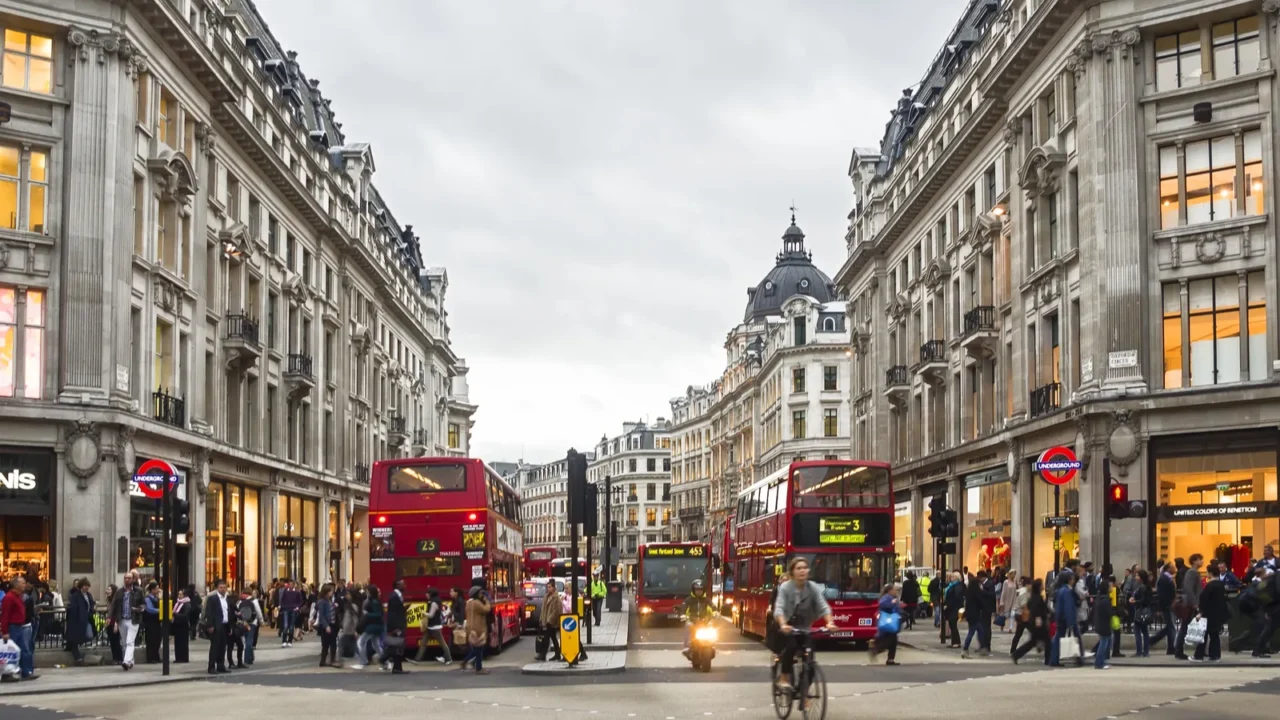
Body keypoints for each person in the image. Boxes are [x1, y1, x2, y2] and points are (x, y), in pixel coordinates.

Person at [772, 557, 837, 693]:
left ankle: (804, 693)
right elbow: (779, 608)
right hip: (787, 625)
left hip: (804, 627)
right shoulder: (785, 587)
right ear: (792, 572)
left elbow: (823, 606)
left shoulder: (812, 587)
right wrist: (783, 624)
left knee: (810, 663)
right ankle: (784, 678)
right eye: (798, 568)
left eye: (805, 568)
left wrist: (829, 622)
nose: (802, 571)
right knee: (791, 646)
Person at [0, 576, 36, 682]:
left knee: (24, 649)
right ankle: (7, 673)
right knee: (10, 651)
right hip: (12, 627)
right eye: (23, 583)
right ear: (16, 585)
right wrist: (5, 631)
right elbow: (5, 615)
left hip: (19, 626)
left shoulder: (18, 596)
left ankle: (26, 671)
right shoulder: (9, 597)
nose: (25, 585)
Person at [1192, 563, 1228, 662]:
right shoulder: (1221, 585)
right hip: (1218, 613)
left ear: (1211, 573)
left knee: (1203, 635)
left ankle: (1199, 656)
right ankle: (1215, 655)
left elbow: (1204, 599)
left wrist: (1200, 612)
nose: (1207, 574)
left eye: (1207, 572)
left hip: (1208, 614)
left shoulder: (1210, 585)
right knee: (1214, 635)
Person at [110, 572, 144, 671]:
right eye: (125, 578)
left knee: (130, 641)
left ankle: (126, 660)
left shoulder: (139, 591)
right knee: (124, 642)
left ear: (133, 579)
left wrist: (139, 609)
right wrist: (109, 617)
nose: (127, 580)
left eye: (129, 578)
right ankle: (131, 661)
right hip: (122, 619)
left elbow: (143, 604)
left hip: (133, 619)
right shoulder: (119, 592)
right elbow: (113, 605)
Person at [1011, 579, 1049, 664]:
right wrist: (1039, 618)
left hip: (1034, 622)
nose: (1043, 586)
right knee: (1047, 641)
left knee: (1032, 642)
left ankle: (1016, 654)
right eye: (1042, 585)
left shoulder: (1033, 597)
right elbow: (1037, 610)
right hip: (1038, 622)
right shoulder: (1037, 598)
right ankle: (1048, 659)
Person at [1175, 554, 1204, 660]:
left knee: (1187, 627)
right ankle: (1178, 650)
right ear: (1195, 561)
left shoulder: (1193, 572)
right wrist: (1195, 603)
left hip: (1191, 603)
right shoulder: (1192, 572)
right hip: (1190, 604)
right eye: (1200, 559)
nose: (1202, 561)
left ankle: (1199, 650)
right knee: (1184, 627)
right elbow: (1189, 588)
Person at [203, 578, 234, 675]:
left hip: (225, 625)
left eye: (224, 587)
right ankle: (211, 666)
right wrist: (210, 625)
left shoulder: (227, 599)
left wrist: (230, 627)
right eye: (221, 588)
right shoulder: (212, 599)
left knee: (223, 647)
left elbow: (229, 612)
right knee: (215, 647)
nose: (223, 589)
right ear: (217, 588)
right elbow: (209, 613)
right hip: (216, 626)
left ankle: (221, 665)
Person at [680, 579, 716, 659]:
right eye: (697, 589)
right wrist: (682, 615)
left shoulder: (707, 600)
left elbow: (712, 606)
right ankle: (687, 646)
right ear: (693, 590)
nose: (699, 591)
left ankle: (712, 643)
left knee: (711, 626)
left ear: (703, 590)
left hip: (704, 621)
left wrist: (715, 612)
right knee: (688, 625)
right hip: (693, 621)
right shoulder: (688, 600)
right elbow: (684, 607)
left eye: (700, 589)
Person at [868, 583, 901, 666]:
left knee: (893, 640)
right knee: (890, 640)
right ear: (889, 590)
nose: (895, 591)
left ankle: (890, 659)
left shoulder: (891, 597)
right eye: (893, 589)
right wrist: (893, 603)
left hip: (891, 621)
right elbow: (882, 604)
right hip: (888, 621)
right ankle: (876, 650)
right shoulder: (887, 597)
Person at [351, 584, 383, 670]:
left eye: (368, 591)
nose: (366, 593)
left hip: (372, 626)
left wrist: (367, 615)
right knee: (376, 644)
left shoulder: (373, 602)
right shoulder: (375, 601)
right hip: (376, 626)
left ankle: (363, 661)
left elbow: (378, 614)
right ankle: (386, 663)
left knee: (360, 642)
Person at [462, 585, 492, 674]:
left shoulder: (468, 603)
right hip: (478, 628)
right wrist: (486, 601)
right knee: (479, 649)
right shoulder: (477, 603)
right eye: (480, 593)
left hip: (470, 627)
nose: (481, 594)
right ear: (476, 594)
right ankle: (470, 663)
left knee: (477, 648)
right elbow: (486, 609)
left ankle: (476, 666)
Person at [417, 588, 452, 665]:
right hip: (430, 626)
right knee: (423, 643)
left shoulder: (434, 603)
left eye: (427, 593)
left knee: (443, 644)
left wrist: (423, 612)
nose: (426, 595)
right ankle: (417, 660)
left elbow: (431, 615)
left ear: (431, 594)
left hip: (435, 627)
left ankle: (449, 659)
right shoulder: (434, 601)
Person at [64, 579, 94, 667]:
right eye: (85, 586)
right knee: (74, 640)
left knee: (89, 635)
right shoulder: (75, 595)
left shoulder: (89, 595)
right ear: (81, 586)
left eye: (88, 586)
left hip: (86, 620)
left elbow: (91, 605)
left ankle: (71, 645)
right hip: (76, 621)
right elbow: (74, 607)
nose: (87, 587)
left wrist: (91, 612)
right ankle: (79, 659)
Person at [384, 579, 408, 674]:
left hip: (399, 624)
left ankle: (398, 667)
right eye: (403, 584)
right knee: (398, 646)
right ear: (397, 585)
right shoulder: (394, 596)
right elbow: (392, 613)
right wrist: (395, 628)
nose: (405, 586)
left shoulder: (397, 595)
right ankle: (396, 667)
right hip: (397, 625)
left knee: (399, 646)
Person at [1129, 570, 1153, 658]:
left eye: (1137, 576)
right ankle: (1145, 651)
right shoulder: (1145, 586)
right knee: (1145, 631)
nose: (1136, 577)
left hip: (1140, 611)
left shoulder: (1142, 587)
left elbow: (1144, 599)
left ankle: (1140, 651)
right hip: (1143, 610)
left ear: (1141, 577)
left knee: (1138, 631)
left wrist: (1135, 601)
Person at [1092, 578, 1115, 670]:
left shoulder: (1100, 597)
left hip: (1101, 623)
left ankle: (1101, 661)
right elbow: (1108, 612)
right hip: (1104, 624)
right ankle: (1099, 663)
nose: (1112, 587)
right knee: (1103, 643)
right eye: (1110, 586)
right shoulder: (1105, 599)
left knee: (1105, 642)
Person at [538, 581, 562, 662]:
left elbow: (556, 611)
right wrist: (541, 619)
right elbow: (543, 609)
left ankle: (543, 654)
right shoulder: (546, 597)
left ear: (554, 587)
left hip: (551, 622)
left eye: (550, 587)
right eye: (547, 587)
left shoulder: (556, 598)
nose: (548, 589)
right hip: (546, 621)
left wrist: (549, 620)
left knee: (547, 638)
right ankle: (557, 654)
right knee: (553, 638)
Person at [315, 584, 337, 668]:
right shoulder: (322, 602)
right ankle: (323, 661)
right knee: (326, 644)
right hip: (327, 625)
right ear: (326, 592)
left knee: (333, 643)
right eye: (331, 591)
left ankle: (332, 659)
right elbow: (321, 616)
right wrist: (326, 626)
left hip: (333, 623)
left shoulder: (330, 600)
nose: (332, 592)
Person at [142, 582, 162, 664]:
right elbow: (149, 609)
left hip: (157, 622)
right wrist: (160, 610)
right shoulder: (147, 599)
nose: (158, 590)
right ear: (152, 589)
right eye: (157, 588)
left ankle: (156, 656)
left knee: (157, 640)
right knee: (151, 640)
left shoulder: (156, 598)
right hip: (150, 623)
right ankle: (151, 658)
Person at [171, 590, 190, 664]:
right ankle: (178, 657)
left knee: (183, 643)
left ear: (184, 595)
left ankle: (184, 658)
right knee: (178, 642)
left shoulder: (186, 604)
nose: (179, 595)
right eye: (178, 594)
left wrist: (175, 615)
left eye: (181, 594)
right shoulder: (178, 603)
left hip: (183, 625)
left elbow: (185, 615)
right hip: (177, 625)